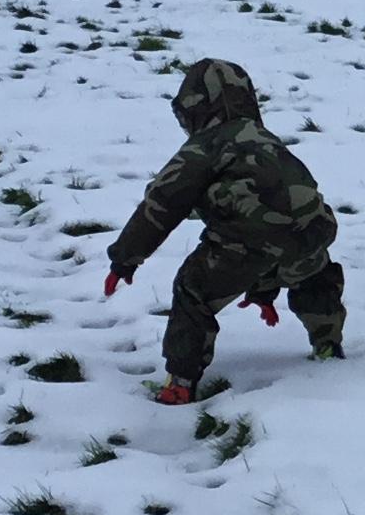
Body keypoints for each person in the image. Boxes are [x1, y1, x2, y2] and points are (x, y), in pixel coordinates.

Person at [105, 59, 345, 398]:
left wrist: (125, 258)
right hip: (313, 232)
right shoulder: (266, 139)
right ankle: (328, 344)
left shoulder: (204, 148)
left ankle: (180, 384)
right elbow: (282, 208)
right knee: (314, 277)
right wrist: (267, 282)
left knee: (193, 289)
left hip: (248, 241)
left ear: (193, 109)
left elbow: (163, 202)